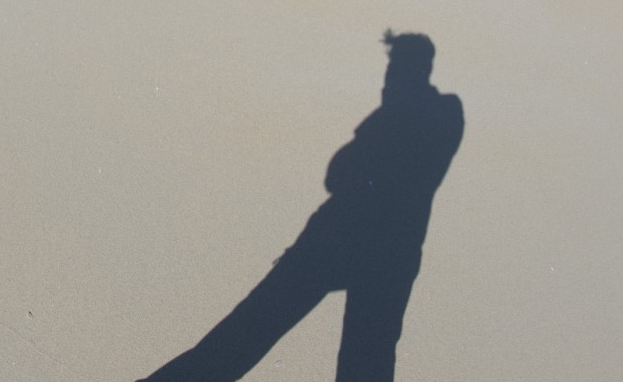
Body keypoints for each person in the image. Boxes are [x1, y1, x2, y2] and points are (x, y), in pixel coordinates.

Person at [138, 30, 464, 381]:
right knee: (249, 332)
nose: (386, 84)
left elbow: (350, 169)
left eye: (394, 73)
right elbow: (338, 172)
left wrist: (391, 110)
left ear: (414, 71)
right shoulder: (405, 117)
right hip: (347, 244)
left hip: (372, 250)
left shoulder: (436, 112)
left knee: (360, 358)